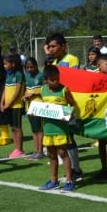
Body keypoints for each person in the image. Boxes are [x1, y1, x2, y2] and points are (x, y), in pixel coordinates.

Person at [37, 64, 81, 192]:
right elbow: (38, 103)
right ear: (46, 80)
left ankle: (69, 181)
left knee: (62, 153)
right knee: (51, 155)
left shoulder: (64, 90)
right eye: (52, 80)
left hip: (61, 129)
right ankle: (53, 181)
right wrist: (31, 102)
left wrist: (69, 114)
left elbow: (73, 104)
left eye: (57, 78)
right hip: (48, 129)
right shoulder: (42, 90)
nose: (56, 81)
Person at [0, 53, 27, 158]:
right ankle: (16, 149)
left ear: (13, 64)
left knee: (17, 128)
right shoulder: (8, 74)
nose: (4, 66)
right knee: (12, 128)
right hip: (8, 106)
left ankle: (20, 149)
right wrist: (2, 102)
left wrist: (9, 104)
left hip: (16, 106)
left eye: (6, 64)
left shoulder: (19, 74)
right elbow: (5, 89)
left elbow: (17, 92)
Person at [23, 58, 46, 160]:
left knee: (39, 129)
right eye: (27, 67)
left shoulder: (41, 76)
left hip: (39, 106)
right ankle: (35, 151)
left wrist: (34, 94)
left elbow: (46, 89)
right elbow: (26, 90)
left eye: (31, 67)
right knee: (34, 130)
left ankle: (40, 151)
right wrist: (25, 96)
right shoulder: (26, 76)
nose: (29, 69)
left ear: (36, 66)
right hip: (29, 106)